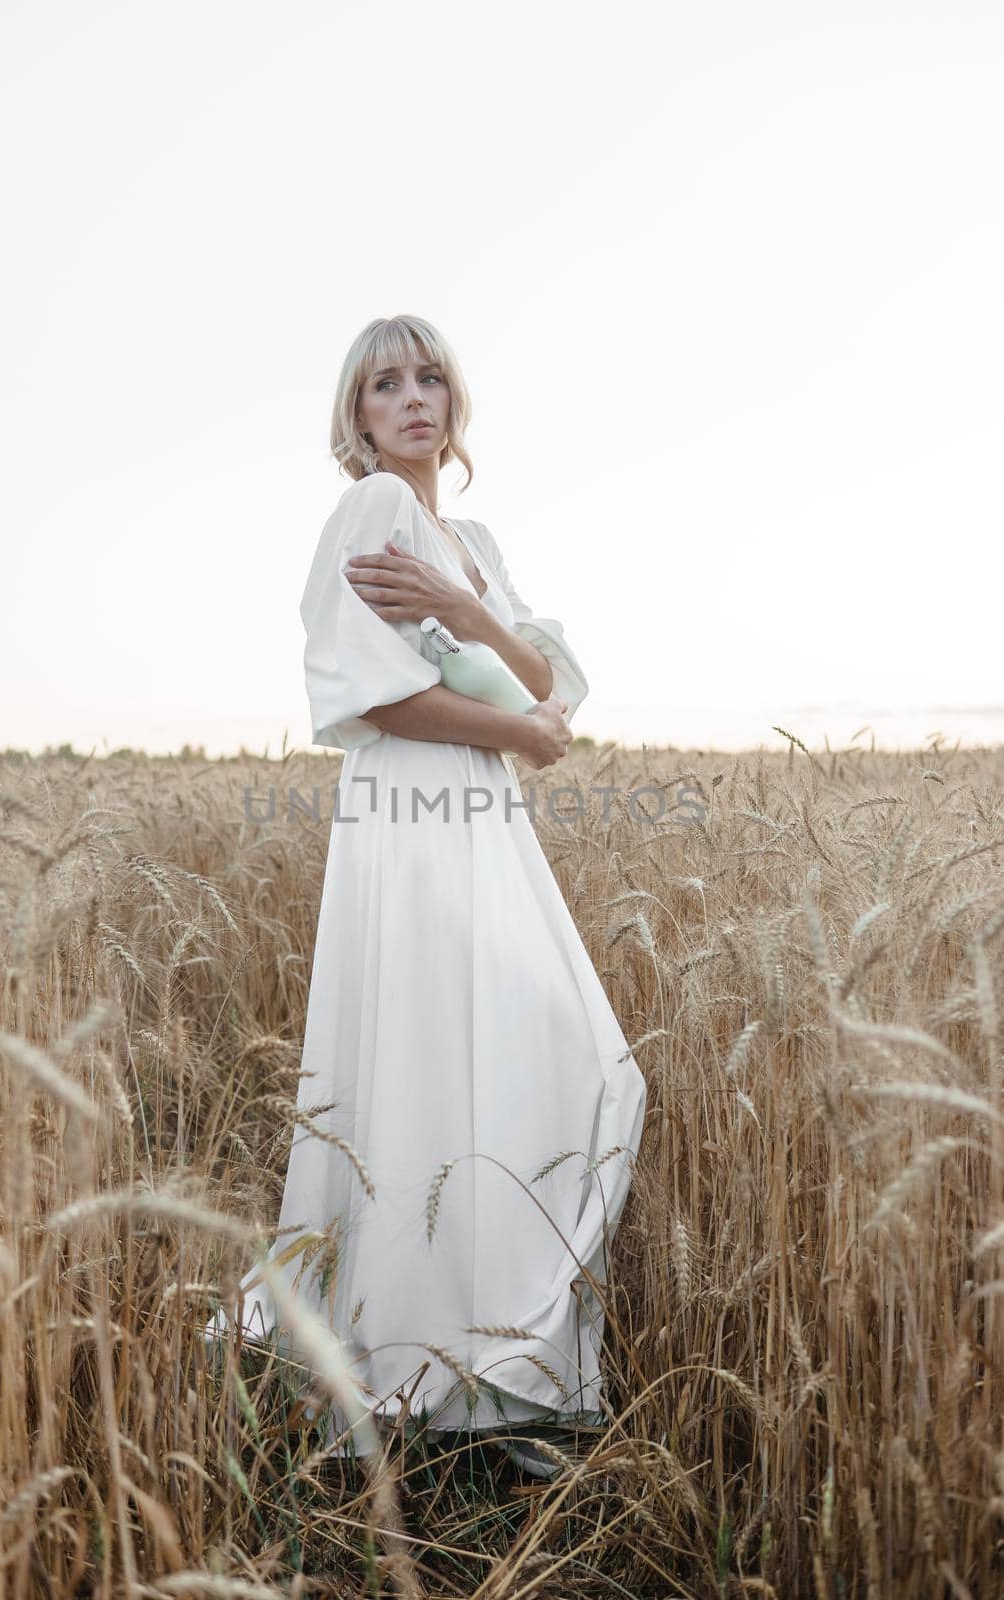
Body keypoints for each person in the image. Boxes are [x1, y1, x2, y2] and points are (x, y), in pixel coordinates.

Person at [205, 315, 647, 1478]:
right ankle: (419, 1364)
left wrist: (472, 620)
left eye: (430, 375)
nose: (413, 397)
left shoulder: (472, 535)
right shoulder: (370, 511)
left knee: (536, 1052)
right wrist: (521, 731)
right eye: (383, 383)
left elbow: (547, 674)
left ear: (456, 398)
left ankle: (496, 1361)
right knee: (427, 1055)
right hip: (411, 807)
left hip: (484, 817)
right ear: (354, 415)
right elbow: (371, 696)